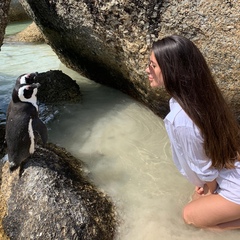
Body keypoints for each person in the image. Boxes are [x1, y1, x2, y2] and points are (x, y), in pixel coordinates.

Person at [145, 35, 240, 230]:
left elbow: (205, 170)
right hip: (231, 170)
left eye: (152, 65)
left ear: (172, 70)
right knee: (197, 198)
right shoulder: (204, 96)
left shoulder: (181, 119)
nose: (147, 70)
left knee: (189, 217)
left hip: (234, 187)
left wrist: (208, 188)